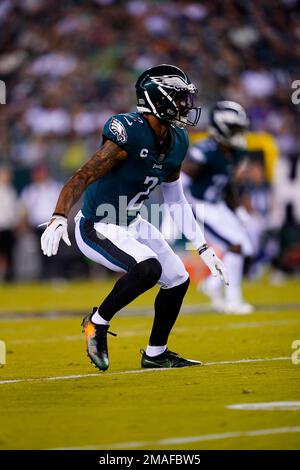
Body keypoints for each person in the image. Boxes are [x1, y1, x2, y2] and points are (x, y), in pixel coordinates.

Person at [40, 64, 228, 371]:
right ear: (157, 101)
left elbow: (176, 199)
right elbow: (83, 175)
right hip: (96, 224)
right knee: (148, 268)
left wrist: (203, 247)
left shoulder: (178, 140)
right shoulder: (127, 134)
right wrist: (60, 214)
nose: (185, 106)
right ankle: (97, 323)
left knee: (178, 278)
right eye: (179, 98)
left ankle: (156, 354)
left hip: (131, 221)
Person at [182, 101, 254, 314]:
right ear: (221, 126)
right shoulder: (205, 150)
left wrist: (238, 209)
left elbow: (229, 183)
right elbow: (180, 181)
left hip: (218, 205)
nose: (238, 134)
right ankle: (233, 300)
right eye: (234, 129)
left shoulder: (235, 151)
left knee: (246, 248)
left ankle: (211, 285)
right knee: (236, 247)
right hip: (200, 205)